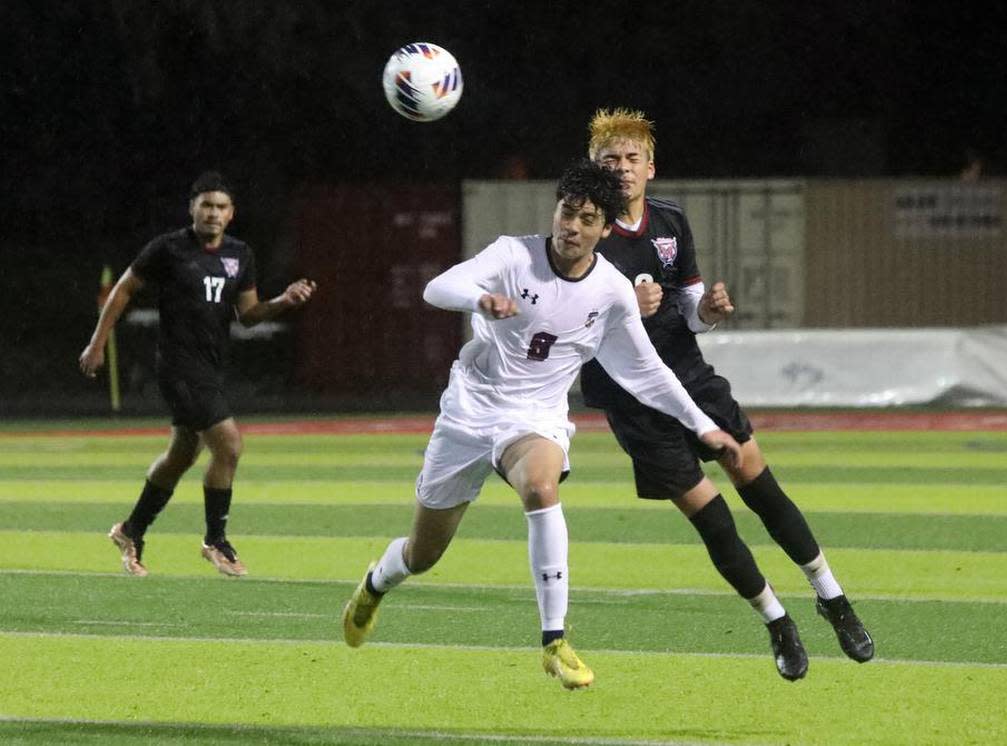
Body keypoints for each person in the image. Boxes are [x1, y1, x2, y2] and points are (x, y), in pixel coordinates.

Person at [341, 159, 744, 690]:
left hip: (534, 417)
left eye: (586, 219)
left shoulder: (611, 291)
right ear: (555, 211)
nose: (571, 227)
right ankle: (375, 584)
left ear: (605, 229)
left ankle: (554, 641)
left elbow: (646, 372)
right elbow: (437, 288)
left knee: (541, 485)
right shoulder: (513, 255)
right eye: (566, 213)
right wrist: (477, 298)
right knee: (423, 554)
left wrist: (701, 426)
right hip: (470, 408)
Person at [581, 108, 874, 681]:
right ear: (594, 169)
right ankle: (776, 620)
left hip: (690, 375)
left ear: (650, 168)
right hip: (631, 399)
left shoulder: (670, 223)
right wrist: (617, 317)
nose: (621, 169)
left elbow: (689, 307)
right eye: (609, 160)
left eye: (631, 158)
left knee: (759, 483)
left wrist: (707, 312)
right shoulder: (583, 234)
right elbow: (570, 330)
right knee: (713, 520)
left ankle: (833, 597)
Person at [79, 171, 317, 578]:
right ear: (192, 209)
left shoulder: (240, 255)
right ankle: (216, 541)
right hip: (177, 365)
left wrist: (283, 301)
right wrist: (98, 342)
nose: (212, 213)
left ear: (231, 213)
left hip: (210, 365)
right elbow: (122, 289)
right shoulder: (168, 249)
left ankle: (130, 530)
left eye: (220, 207)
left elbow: (248, 314)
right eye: (205, 205)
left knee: (182, 455)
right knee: (229, 446)